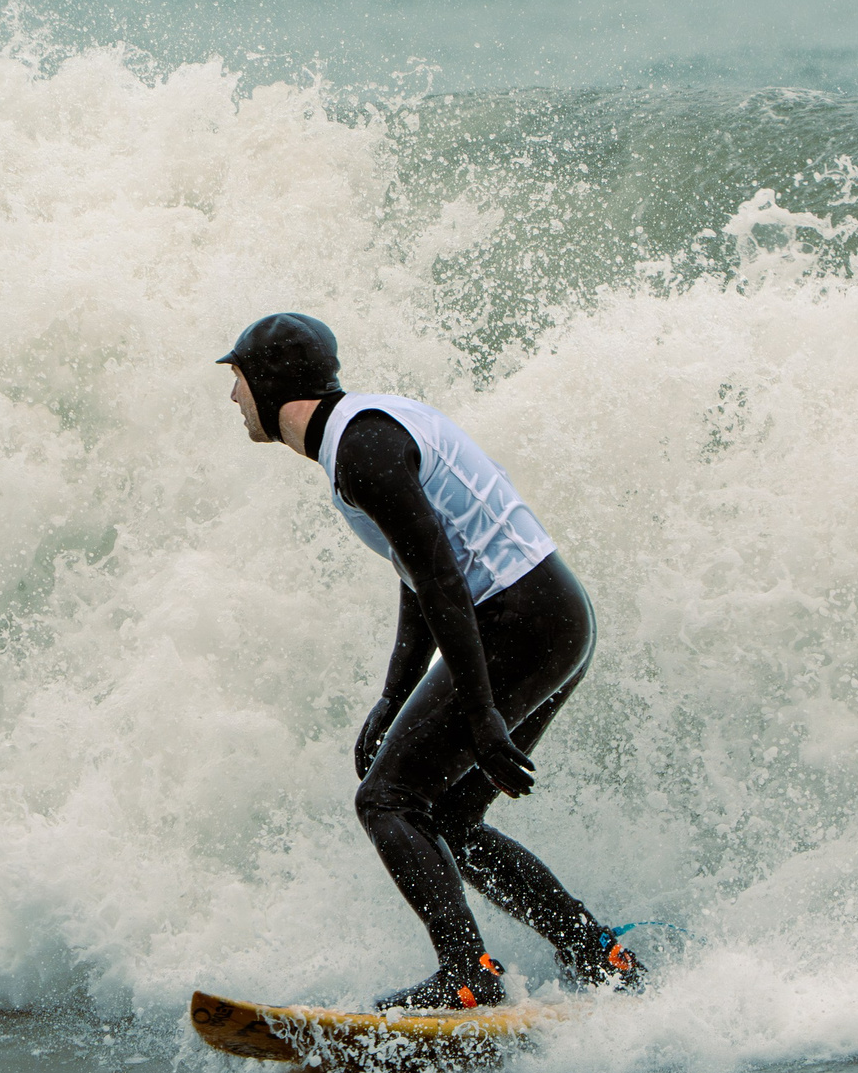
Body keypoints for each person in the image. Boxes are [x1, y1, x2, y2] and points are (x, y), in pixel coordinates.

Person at [219, 312, 647, 1010]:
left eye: (236, 378)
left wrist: (481, 715)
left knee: (387, 800)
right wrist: (395, 693)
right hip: (550, 616)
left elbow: (445, 580)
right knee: (447, 816)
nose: (231, 397)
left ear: (268, 383)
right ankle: (596, 953)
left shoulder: (364, 449)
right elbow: (419, 571)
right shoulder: (362, 433)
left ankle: (466, 973)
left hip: (520, 618)